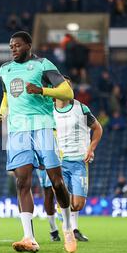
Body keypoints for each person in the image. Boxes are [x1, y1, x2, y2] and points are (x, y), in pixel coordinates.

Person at [0, 31, 77, 253]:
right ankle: (29, 237)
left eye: (18, 45)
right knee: (22, 182)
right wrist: (2, 112)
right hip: (18, 131)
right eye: (11, 45)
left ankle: (68, 227)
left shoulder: (42, 64)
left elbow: (67, 92)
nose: (13, 49)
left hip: (42, 127)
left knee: (56, 181)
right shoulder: (5, 69)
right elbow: (6, 97)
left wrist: (42, 90)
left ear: (29, 46)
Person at [51, 76, 103, 241]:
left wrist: (91, 148)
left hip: (79, 161)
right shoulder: (48, 110)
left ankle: (69, 225)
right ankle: (70, 230)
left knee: (78, 204)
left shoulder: (81, 109)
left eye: (68, 86)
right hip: (59, 161)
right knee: (62, 196)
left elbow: (97, 128)